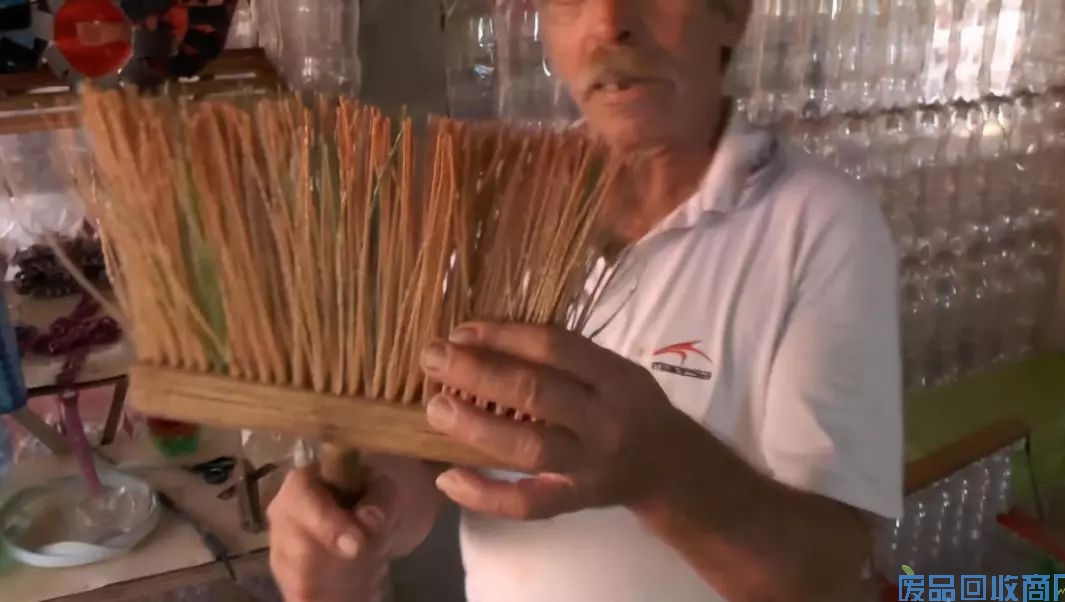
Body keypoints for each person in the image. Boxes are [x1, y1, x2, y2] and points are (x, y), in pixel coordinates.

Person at [267, 0, 903, 600]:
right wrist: (360, 525)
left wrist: (660, 471)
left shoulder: (820, 223)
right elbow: (433, 449)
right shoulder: (501, 199)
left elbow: (832, 575)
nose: (609, 22)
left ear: (732, 11)